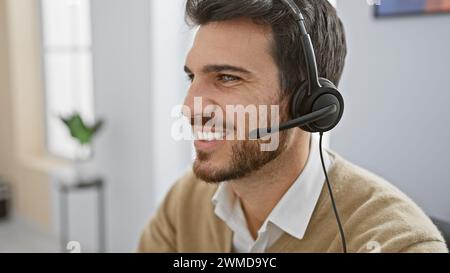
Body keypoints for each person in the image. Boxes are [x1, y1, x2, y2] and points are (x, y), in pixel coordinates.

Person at [138, 0, 448, 253]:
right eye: (193, 78)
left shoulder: (400, 245)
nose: (190, 108)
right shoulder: (184, 203)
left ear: (308, 103)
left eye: (227, 78)